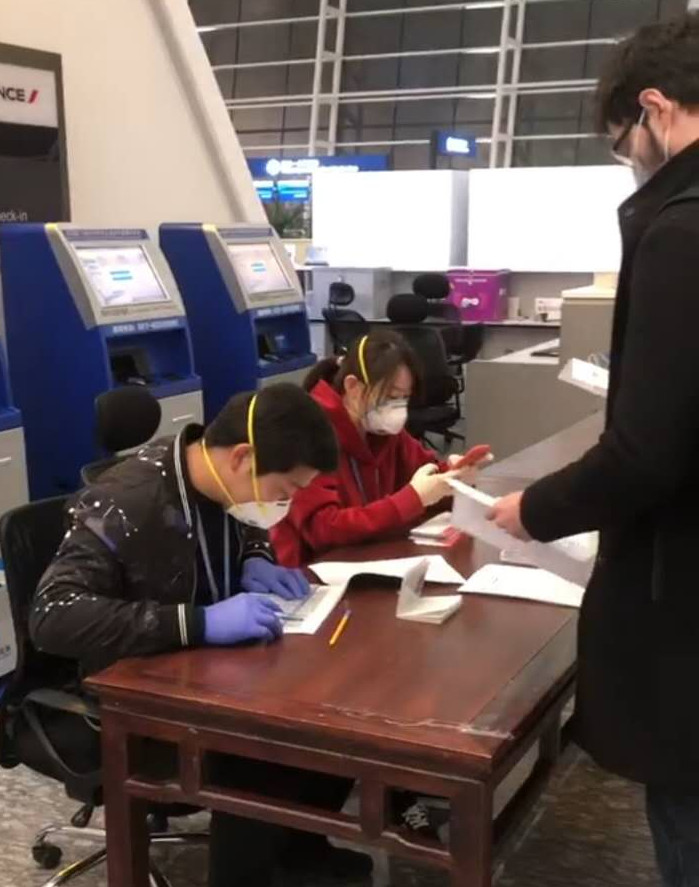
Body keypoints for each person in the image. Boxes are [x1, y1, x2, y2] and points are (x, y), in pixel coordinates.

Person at [487, 13, 699, 887]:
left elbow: (646, 452)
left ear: (654, 107)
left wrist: (531, 510)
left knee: (686, 814)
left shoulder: (681, 231)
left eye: (623, 143)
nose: (631, 161)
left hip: (684, 599)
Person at [29, 383, 371, 887]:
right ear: (242, 456)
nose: (286, 504)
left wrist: (255, 558)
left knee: (334, 711)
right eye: (286, 489)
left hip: (207, 670)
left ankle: (299, 853)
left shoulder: (217, 477)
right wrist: (198, 621)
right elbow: (52, 616)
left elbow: (247, 526)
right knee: (268, 749)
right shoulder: (129, 501)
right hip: (125, 693)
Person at [272, 330, 490, 567]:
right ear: (353, 386)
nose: (398, 409)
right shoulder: (310, 434)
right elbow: (323, 530)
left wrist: (453, 479)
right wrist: (413, 499)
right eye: (391, 397)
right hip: (314, 571)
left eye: (404, 398)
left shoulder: (383, 431)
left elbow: (426, 477)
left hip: (372, 557)